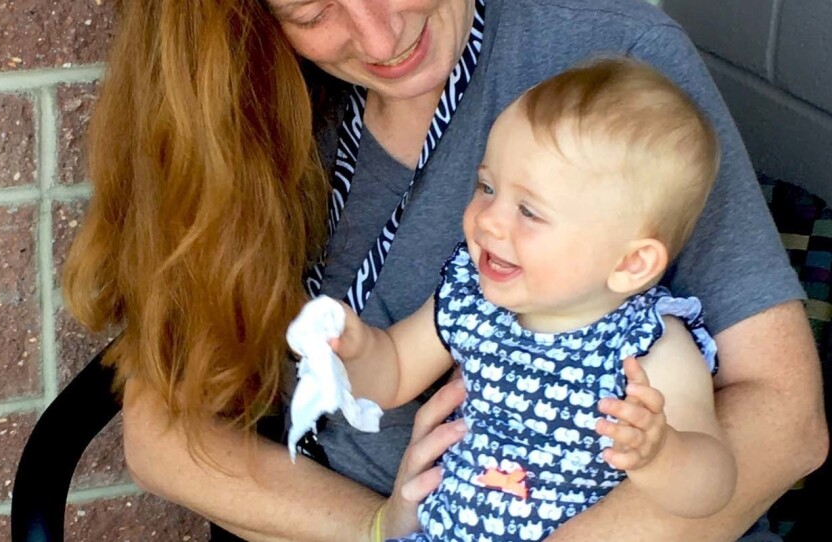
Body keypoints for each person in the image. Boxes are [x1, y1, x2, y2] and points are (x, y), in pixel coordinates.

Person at [63, 0, 828, 541]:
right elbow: (162, 434)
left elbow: (786, 421)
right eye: (309, 11)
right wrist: (377, 528)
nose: (378, 32)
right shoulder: (242, 102)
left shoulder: (613, 61)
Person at [317, 57, 736, 541]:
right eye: (487, 186)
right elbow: (390, 374)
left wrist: (663, 454)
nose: (489, 219)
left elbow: (714, 486)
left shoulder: (647, 348)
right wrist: (355, 348)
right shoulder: (473, 298)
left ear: (630, 264)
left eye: (529, 211)